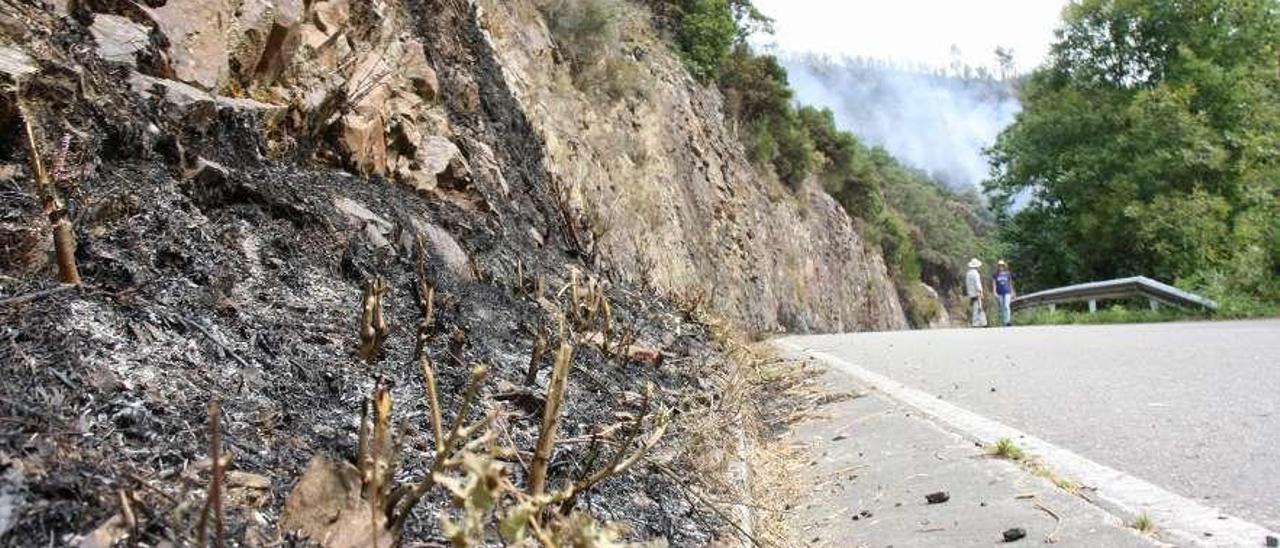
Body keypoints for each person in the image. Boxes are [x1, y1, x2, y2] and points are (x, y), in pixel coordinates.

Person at [992, 260, 1016, 326]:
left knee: (1006, 306)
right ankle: (1004, 321)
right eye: (999, 265)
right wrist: (994, 292)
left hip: (1007, 291)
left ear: (1004, 266)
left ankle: (1008, 321)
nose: (1001, 267)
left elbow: (1010, 283)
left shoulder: (1008, 274)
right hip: (999, 292)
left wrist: (1013, 292)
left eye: (1002, 265)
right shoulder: (995, 274)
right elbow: (994, 284)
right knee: (1002, 307)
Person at [964, 258, 988, 327]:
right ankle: (976, 323)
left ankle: (982, 323)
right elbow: (978, 284)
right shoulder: (976, 274)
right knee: (978, 308)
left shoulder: (968, 273)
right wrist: (980, 292)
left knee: (977, 307)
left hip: (971, 293)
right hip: (976, 293)